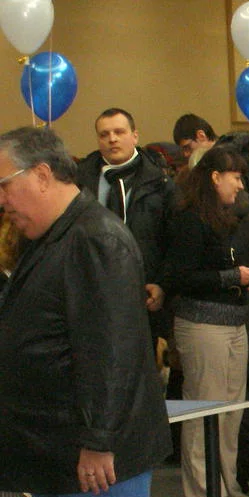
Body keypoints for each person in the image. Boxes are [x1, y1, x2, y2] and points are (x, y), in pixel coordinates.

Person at [0, 126, 171, 497]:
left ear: (42, 174)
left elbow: (112, 350)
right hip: (53, 446)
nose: (2, 200)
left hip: (98, 450)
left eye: (5, 185)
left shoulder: (97, 240)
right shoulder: (50, 238)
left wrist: (98, 441)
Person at [163, 146, 249, 497]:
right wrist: (231, 277)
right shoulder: (189, 218)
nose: (240, 185)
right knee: (204, 411)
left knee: (231, 413)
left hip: (234, 322)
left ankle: (228, 487)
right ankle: (203, 495)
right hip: (202, 325)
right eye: (235, 177)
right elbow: (180, 276)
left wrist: (243, 281)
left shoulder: (225, 215)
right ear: (215, 177)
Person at [76, 107, 174, 340]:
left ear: (135, 136)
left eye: (119, 132)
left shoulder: (160, 182)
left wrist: (162, 284)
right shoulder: (79, 180)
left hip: (144, 291)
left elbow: (174, 241)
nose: (112, 139)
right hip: (92, 291)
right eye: (104, 134)